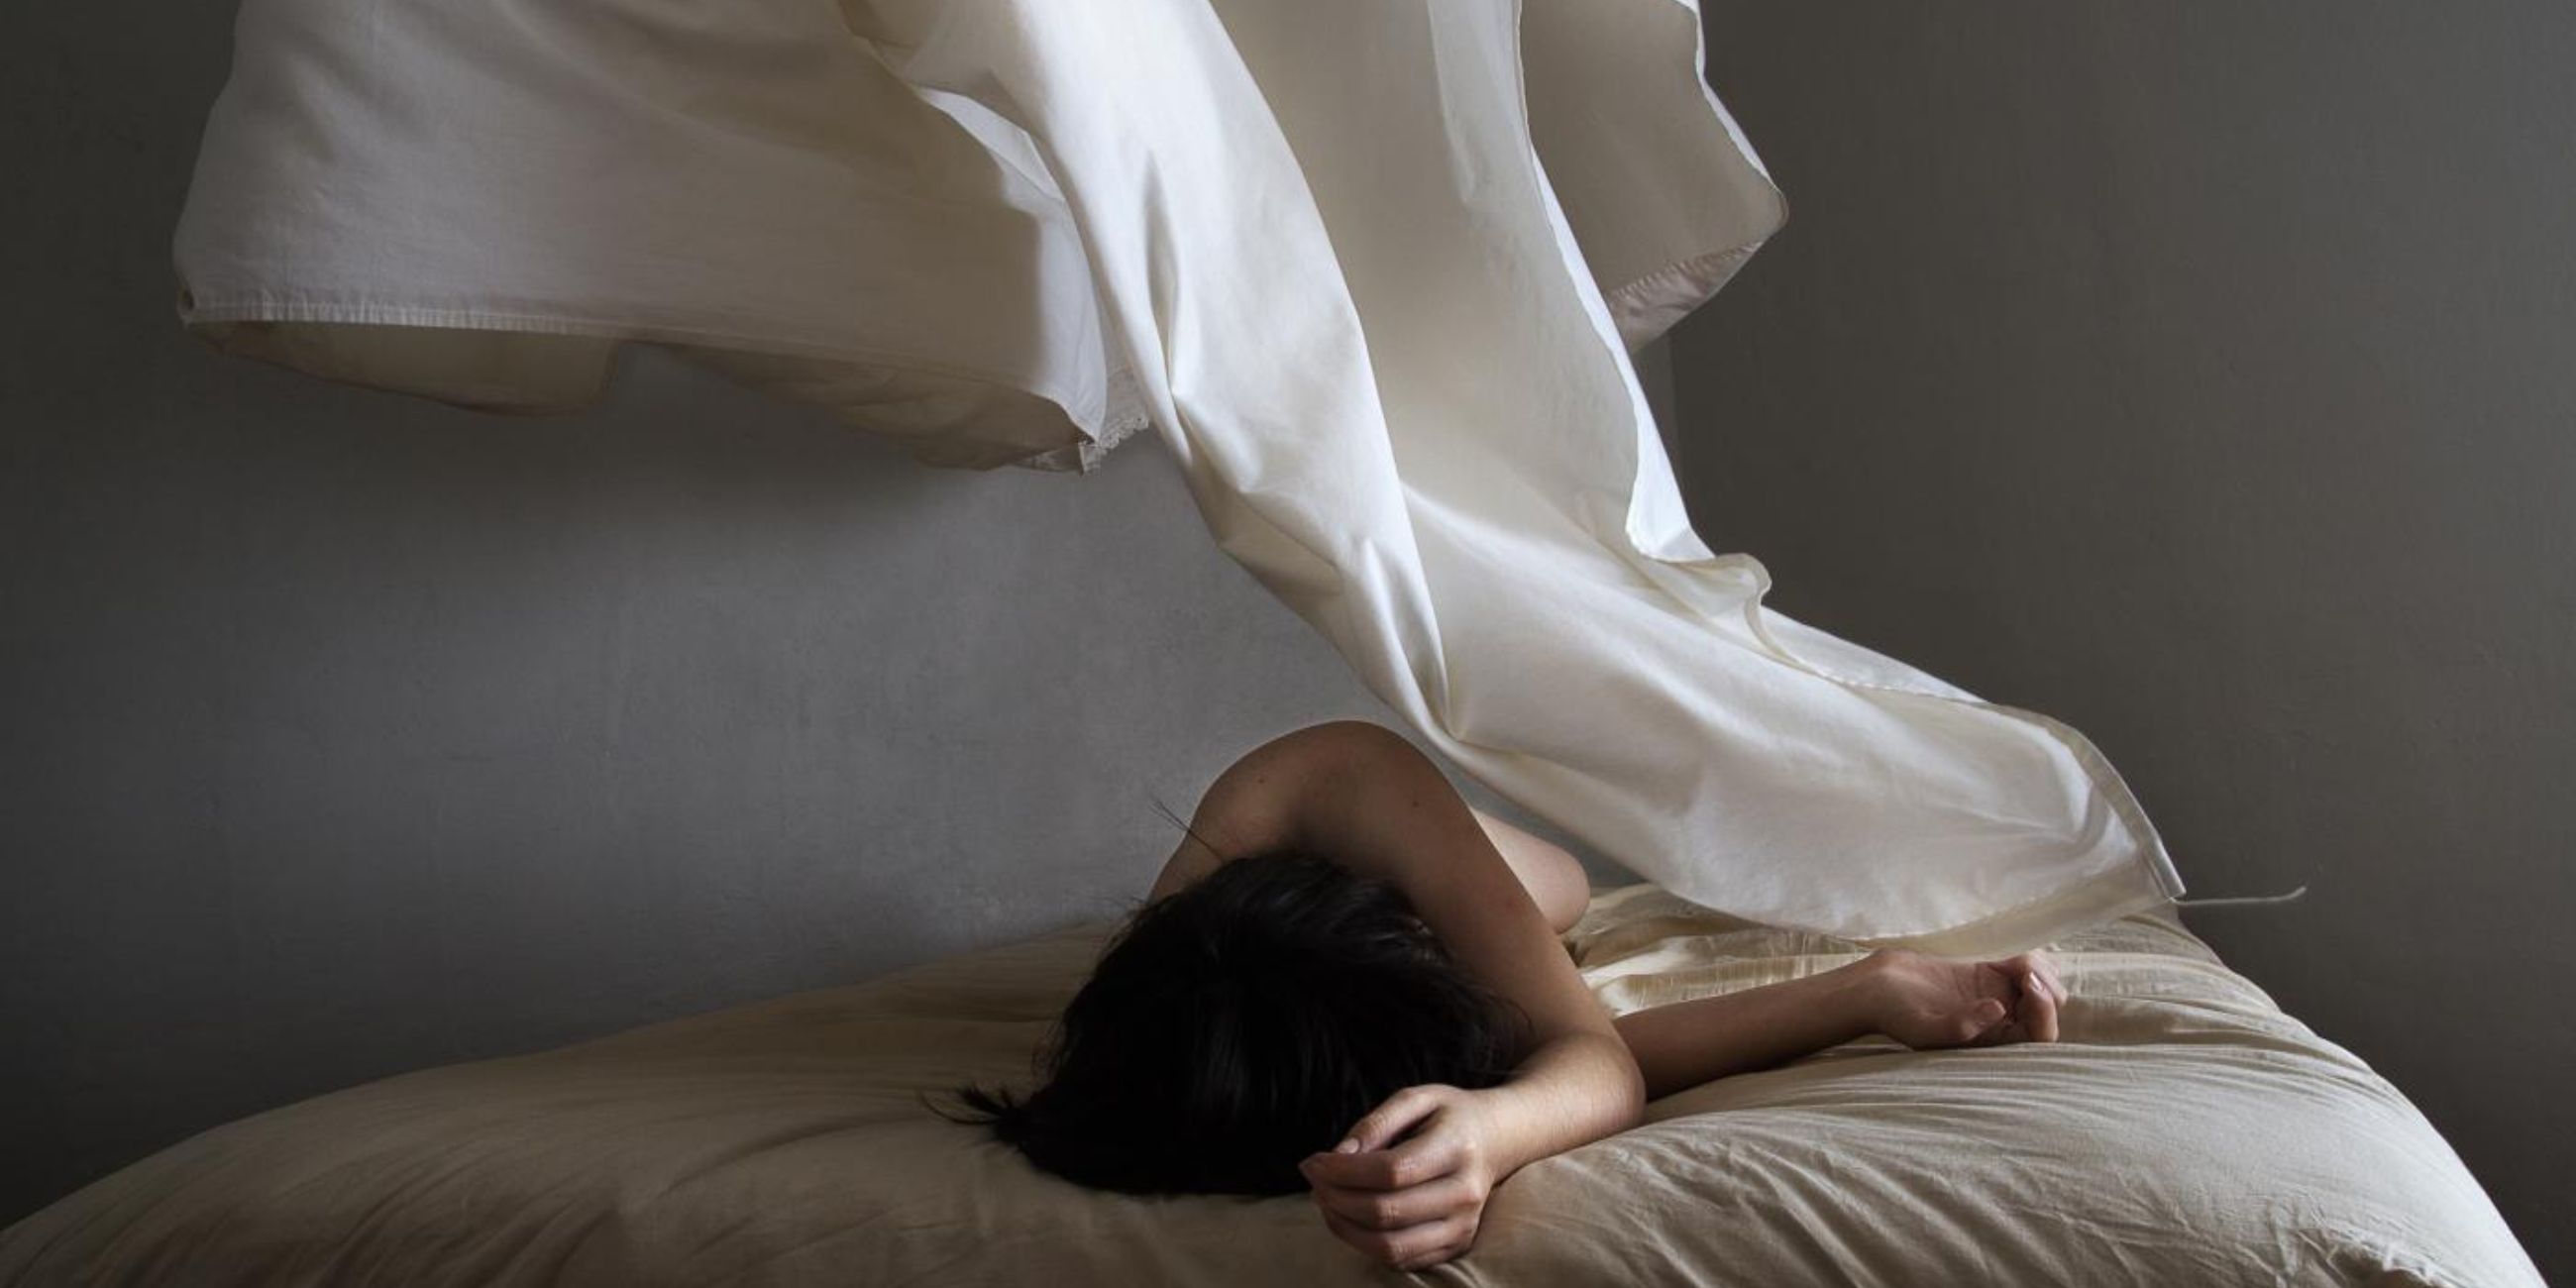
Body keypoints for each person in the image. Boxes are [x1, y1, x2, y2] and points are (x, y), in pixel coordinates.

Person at [954, 720, 2067, 1271]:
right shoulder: (1163, 1043)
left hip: (1403, 841)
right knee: (1525, 1022)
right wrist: (1864, 992)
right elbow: (1572, 1058)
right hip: (1307, 971)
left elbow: (1587, 1060)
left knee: (1563, 895)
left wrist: (1490, 1131)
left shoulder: (1337, 783)